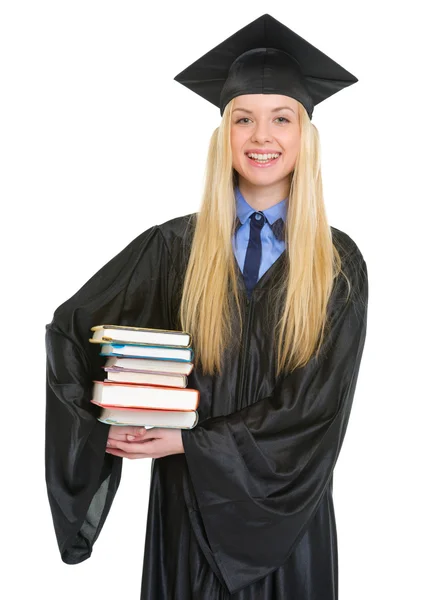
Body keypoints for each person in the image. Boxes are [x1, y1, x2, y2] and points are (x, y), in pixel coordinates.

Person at [45, 13, 368, 600]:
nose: (261, 136)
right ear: (224, 134)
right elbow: (72, 331)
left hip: (288, 524)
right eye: (243, 118)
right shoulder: (174, 249)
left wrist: (190, 442)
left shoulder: (337, 264)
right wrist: (105, 421)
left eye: (281, 118)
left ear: (305, 135)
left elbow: (317, 413)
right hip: (186, 513)